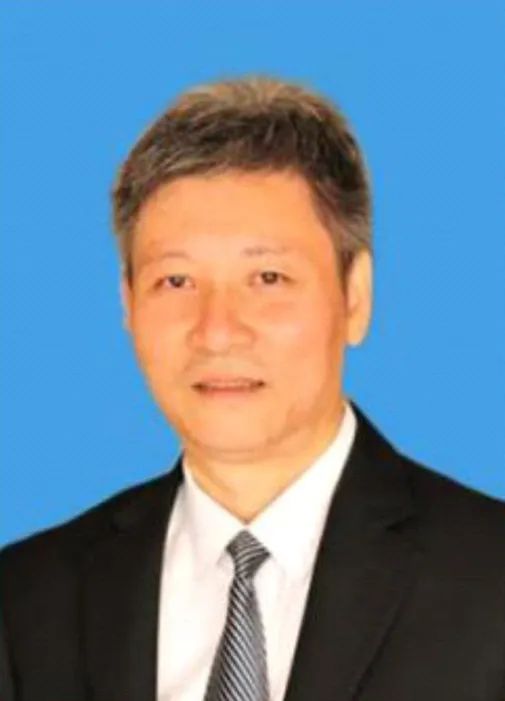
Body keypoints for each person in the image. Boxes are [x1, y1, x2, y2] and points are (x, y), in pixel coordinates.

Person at [1, 76, 504, 701]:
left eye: (268, 277)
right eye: (176, 282)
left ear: (355, 296)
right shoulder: (27, 601)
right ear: (127, 304)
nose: (217, 332)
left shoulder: (491, 579)